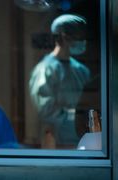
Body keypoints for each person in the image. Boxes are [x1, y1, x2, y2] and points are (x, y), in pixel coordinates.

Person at [29, 14, 90, 148]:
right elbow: (46, 110)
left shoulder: (81, 70)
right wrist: (74, 116)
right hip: (58, 144)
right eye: (79, 36)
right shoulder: (45, 70)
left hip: (82, 141)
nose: (83, 40)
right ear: (64, 36)